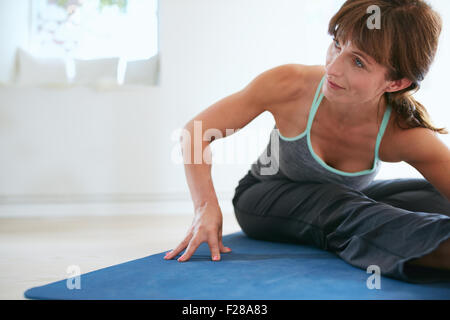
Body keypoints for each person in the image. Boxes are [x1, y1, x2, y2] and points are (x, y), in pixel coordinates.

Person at [164, 0, 450, 282]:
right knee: (340, 204)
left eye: (359, 62)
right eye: (338, 44)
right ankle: (442, 252)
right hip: (263, 197)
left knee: (430, 196)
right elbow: (196, 131)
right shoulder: (291, 84)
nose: (333, 68)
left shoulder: (402, 132)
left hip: (339, 199)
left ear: (396, 83)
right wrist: (205, 206)